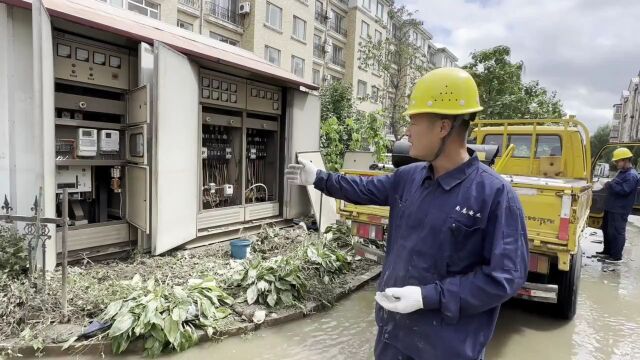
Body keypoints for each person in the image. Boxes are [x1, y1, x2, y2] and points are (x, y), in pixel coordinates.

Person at [285, 68, 529, 360]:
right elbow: (363, 189)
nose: (406, 132)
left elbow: (503, 279)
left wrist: (428, 297)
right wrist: (319, 178)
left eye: (413, 122)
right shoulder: (409, 177)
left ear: (443, 127)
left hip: (446, 349)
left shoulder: (495, 195)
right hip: (393, 338)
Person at [596, 147, 640, 263]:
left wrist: (609, 185)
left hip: (620, 209)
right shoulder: (622, 172)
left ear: (625, 160)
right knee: (607, 230)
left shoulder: (631, 175)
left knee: (617, 232)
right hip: (611, 207)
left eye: (617, 161)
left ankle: (615, 256)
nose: (616, 163)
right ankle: (607, 251)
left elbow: (624, 190)